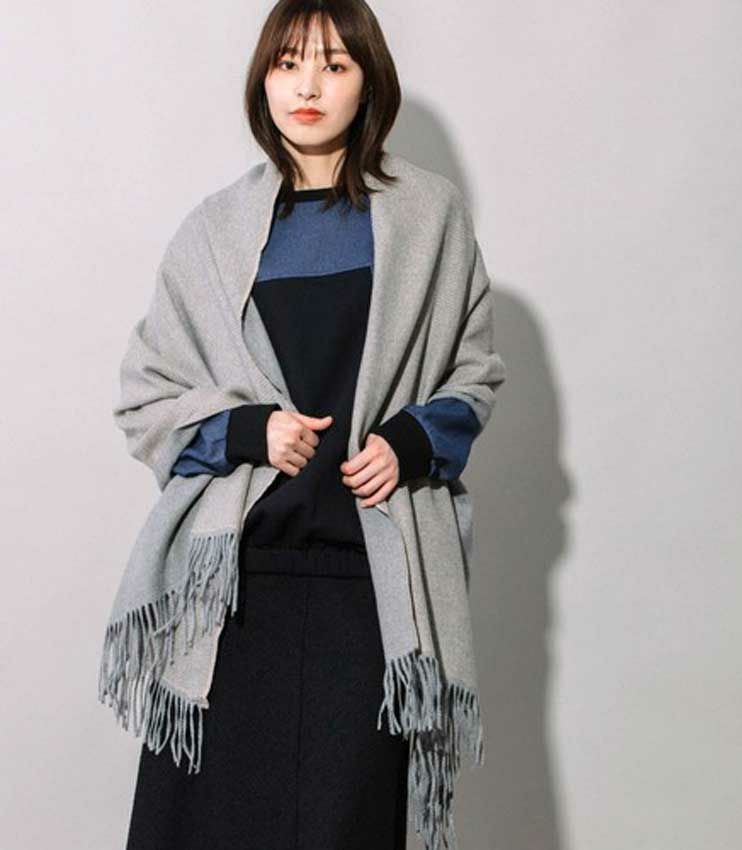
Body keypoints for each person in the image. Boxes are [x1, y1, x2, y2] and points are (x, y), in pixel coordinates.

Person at [114, 2, 504, 849]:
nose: (308, 86)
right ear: (263, 80)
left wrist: (410, 443)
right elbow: (146, 396)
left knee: (350, 825)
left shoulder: (428, 217)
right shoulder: (214, 232)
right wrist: (246, 431)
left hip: (369, 585)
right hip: (233, 590)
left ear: (369, 83)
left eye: (334, 64)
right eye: (288, 63)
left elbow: (473, 373)